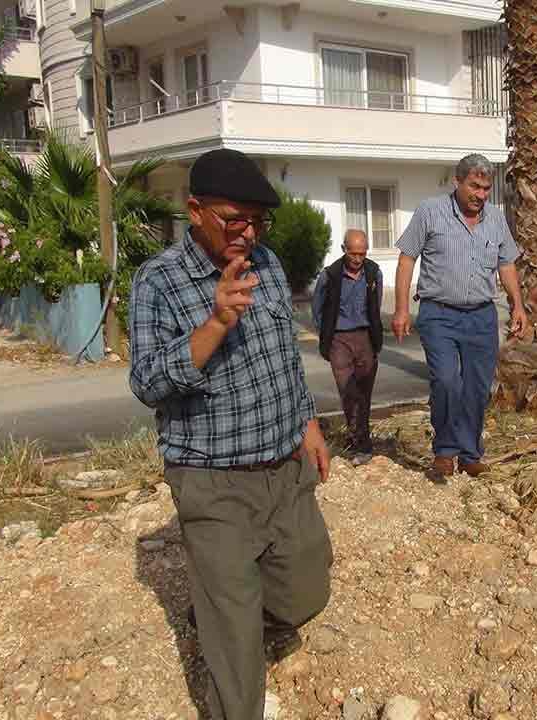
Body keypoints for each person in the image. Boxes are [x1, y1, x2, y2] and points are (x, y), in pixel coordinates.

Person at [128, 148, 332, 720]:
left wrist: (308, 423)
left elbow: (284, 357)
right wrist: (216, 322)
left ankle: (224, 609)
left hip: (283, 467)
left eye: (257, 221)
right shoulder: (159, 281)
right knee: (237, 648)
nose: (248, 233)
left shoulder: (267, 263)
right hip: (211, 478)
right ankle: (227, 626)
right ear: (195, 211)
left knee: (306, 591)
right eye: (234, 220)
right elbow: (147, 382)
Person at [391, 153, 528, 483]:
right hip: (439, 314)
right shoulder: (430, 211)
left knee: (477, 388)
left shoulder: (495, 218)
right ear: (458, 181)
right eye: (474, 187)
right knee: (447, 381)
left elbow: (506, 264)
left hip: (481, 316)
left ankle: (469, 454)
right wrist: (401, 309)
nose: (481, 195)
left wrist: (518, 305)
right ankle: (444, 451)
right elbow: (407, 259)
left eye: (486, 189)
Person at [312, 229, 383, 466]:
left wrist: (374, 336)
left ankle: (360, 438)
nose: (358, 259)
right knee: (348, 391)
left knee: (364, 393)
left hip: (365, 337)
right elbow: (317, 308)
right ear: (344, 250)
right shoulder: (329, 275)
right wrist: (327, 335)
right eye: (353, 254)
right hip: (339, 339)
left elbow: (376, 305)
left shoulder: (373, 273)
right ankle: (360, 443)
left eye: (362, 254)